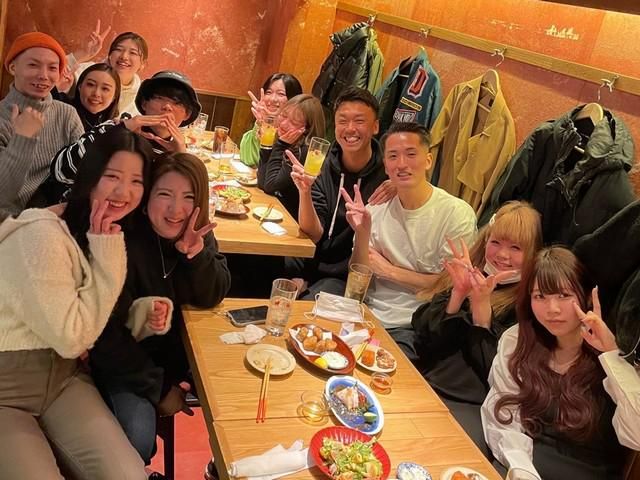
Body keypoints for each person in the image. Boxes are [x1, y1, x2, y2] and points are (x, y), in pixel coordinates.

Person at [0, 127, 154, 479]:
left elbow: (91, 320)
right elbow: (73, 338)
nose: (124, 192)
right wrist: (106, 248)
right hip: (6, 385)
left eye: (136, 181)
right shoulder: (42, 233)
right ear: (90, 175)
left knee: (129, 475)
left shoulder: (103, 229)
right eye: (112, 176)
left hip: (64, 378)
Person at [89, 152, 231, 466]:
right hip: (127, 366)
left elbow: (215, 293)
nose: (176, 209)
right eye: (164, 194)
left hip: (175, 359)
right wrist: (161, 389)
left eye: (188, 197)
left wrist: (196, 257)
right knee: (138, 438)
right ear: (147, 196)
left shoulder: (196, 231)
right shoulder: (122, 240)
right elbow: (107, 339)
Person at [481, 247, 640, 479]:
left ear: (587, 296)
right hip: (523, 467)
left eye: (564, 295)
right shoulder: (518, 340)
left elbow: (636, 436)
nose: (552, 310)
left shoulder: (618, 356)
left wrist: (611, 354)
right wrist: (522, 470)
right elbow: (503, 417)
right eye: (540, 297)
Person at [406, 201, 542, 455]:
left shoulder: (530, 304)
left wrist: (481, 311)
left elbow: (499, 376)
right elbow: (423, 338)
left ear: (532, 253)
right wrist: (458, 295)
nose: (502, 255)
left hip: (471, 406)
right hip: (425, 380)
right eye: (496, 242)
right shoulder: (470, 273)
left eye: (516, 248)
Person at [342, 122, 477, 331]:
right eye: (393, 156)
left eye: (411, 154)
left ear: (428, 160)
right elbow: (358, 276)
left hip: (416, 325)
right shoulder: (374, 209)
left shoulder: (456, 214)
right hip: (365, 314)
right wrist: (362, 234)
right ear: (385, 165)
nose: (402, 164)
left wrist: (389, 271)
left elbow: (450, 285)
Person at [286, 86, 393, 298]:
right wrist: (305, 192)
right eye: (343, 121)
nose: (350, 129)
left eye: (359, 121)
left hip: (346, 274)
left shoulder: (388, 173)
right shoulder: (322, 165)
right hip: (310, 258)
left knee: (309, 302)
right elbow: (314, 233)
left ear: (375, 126)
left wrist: (401, 185)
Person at [47, 70, 201, 203]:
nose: (167, 107)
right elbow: (61, 171)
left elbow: (176, 201)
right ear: (144, 104)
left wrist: (181, 158)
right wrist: (119, 132)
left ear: (187, 114)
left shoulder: (177, 151)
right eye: (159, 98)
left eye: (177, 102)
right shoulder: (116, 127)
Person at [0, 31, 84, 219]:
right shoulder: (2, 118)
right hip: (9, 224)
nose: (44, 76)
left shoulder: (66, 114)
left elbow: (84, 172)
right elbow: (2, 196)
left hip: (58, 218)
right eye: (33, 65)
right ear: (13, 67)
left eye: (52, 68)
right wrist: (23, 138)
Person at [257, 93, 325, 218]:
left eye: (294, 122)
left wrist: (280, 145)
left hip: (291, 221)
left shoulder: (304, 151)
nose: (283, 124)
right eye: (283, 115)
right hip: (275, 212)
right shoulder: (288, 142)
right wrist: (266, 146)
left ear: (306, 130)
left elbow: (270, 186)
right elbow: (262, 182)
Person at [65, 30, 148, 116]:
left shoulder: (141, 97)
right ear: (110, 55)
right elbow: (58, 75)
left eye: (133, 53)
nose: (124, 57)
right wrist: (82, 53)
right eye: (119, 49)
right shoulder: (87, 71)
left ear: (143, 64)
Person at [240, 72, 302, 168]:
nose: (273, 99)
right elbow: (248, 159)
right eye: (268, 92)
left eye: (281, 94)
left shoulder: (296, 130)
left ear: (294, 99)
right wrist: (262, 124)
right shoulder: (261, 119)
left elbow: (271, 166)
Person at [63, 63, 121, 132]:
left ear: (114, 96)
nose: (96, 93)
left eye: (105, 89)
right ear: (80, 87)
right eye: (91, 84)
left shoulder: (114, 126)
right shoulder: (63, 109)